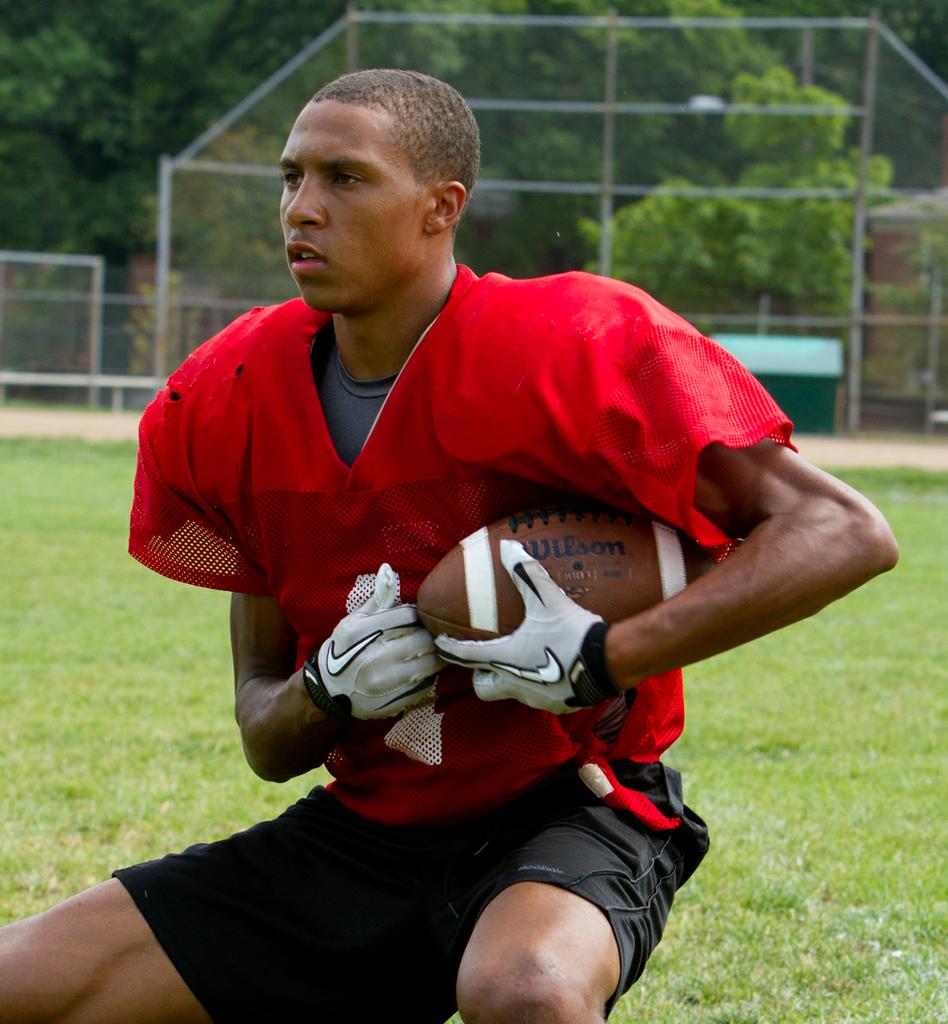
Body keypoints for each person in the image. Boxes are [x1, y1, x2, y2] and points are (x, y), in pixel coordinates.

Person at [0, 69, 898, 1024]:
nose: (302, 209)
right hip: (371, 829)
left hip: (571, 805)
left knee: (524, 991)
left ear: (441, 208)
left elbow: (846, 530)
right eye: (290, 177)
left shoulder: (569, 340)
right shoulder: (228, 396)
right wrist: (324, 691)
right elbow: (264, 735)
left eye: (345, 179)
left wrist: (603, 659)